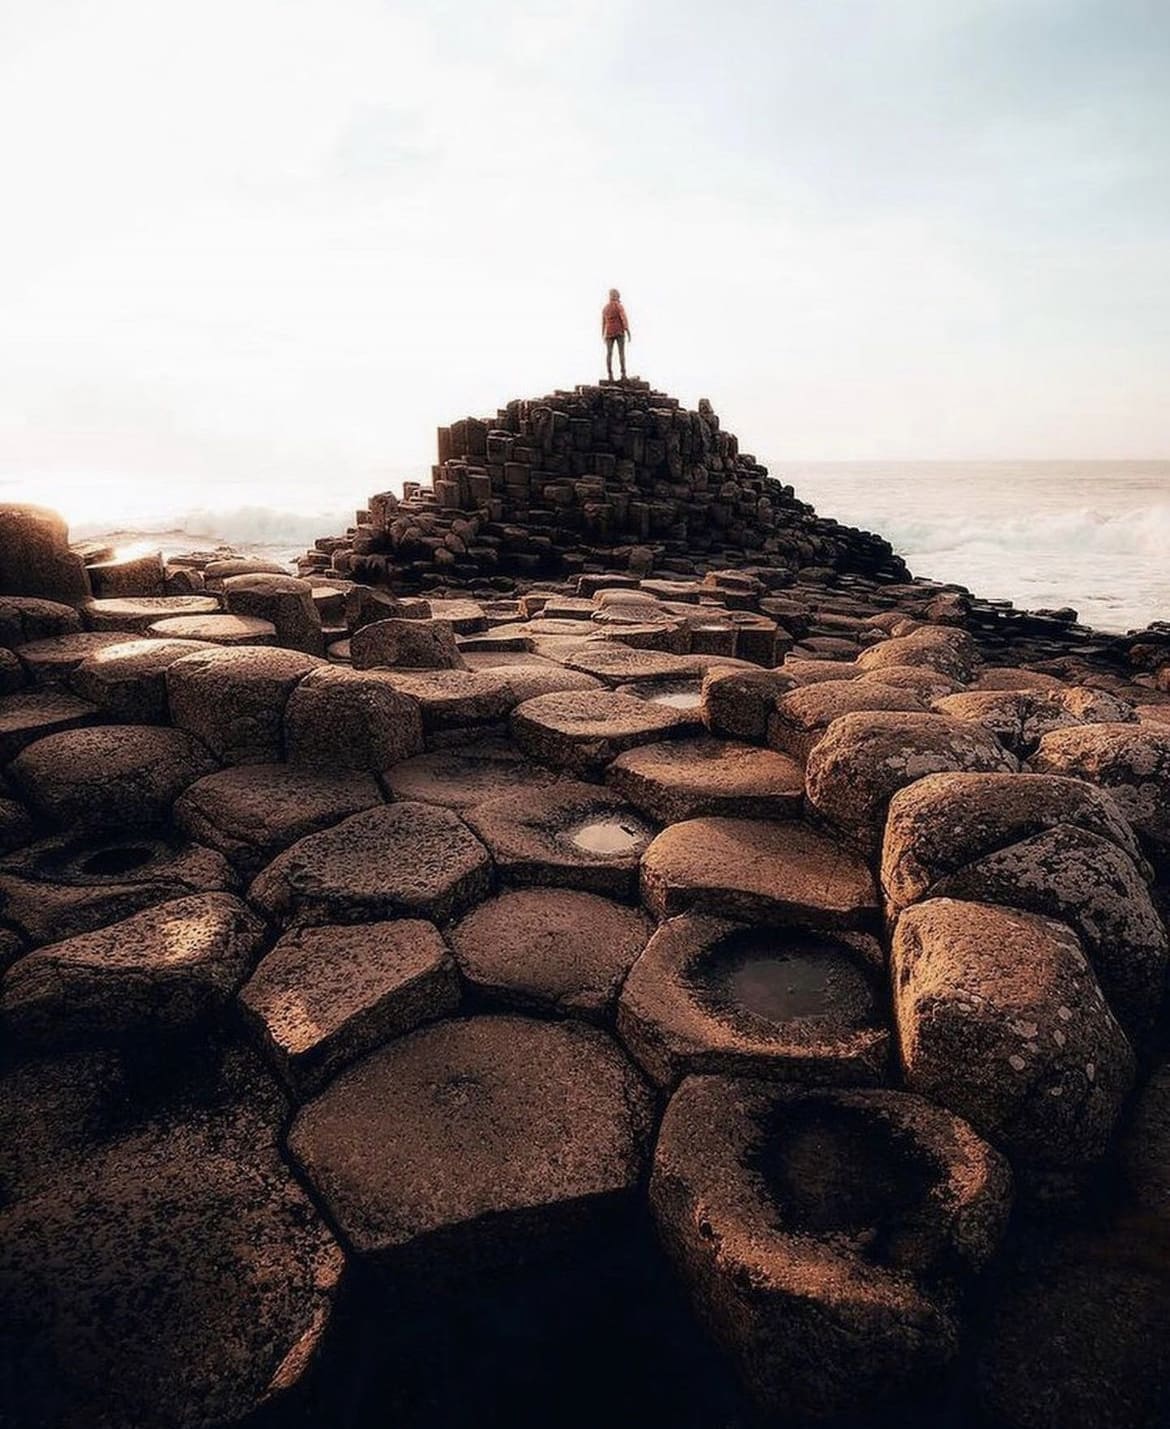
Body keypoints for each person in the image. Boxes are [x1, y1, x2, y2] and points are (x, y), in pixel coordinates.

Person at [601, 288, 630, 381]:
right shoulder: (619, 306)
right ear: (617, 296)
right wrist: (627, 330)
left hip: (608, 333)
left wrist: (603, 334)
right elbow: (623, 318)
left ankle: (610, 375)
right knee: (621, 353)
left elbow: (603, 323)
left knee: (609, 354)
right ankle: (623, 374)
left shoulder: (605, 308)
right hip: (619, 332)